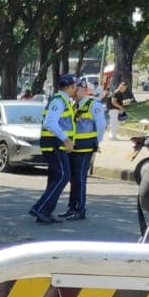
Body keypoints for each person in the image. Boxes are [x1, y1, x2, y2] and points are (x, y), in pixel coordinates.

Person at [29, 74, 77, 224]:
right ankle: (41, 208)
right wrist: (66, 139)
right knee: (63, 176)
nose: (75, 89)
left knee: (56, 177)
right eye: (75, 86)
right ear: (70, 87)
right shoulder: (59, 101)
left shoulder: (62, 101)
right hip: (55, 144)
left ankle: (45, 211)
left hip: (55, 144)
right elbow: (50, 123)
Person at [64, 77, 106, 220]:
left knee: (80, 179)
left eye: (76, 89)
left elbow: (101, 125)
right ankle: (72, 207)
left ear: (83, 90)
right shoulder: (73, 105)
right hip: (73, 148)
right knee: (73, 178)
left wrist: (96, 142)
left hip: (85, 148)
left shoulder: (93, 104)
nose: (74, 92)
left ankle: (80, 210)